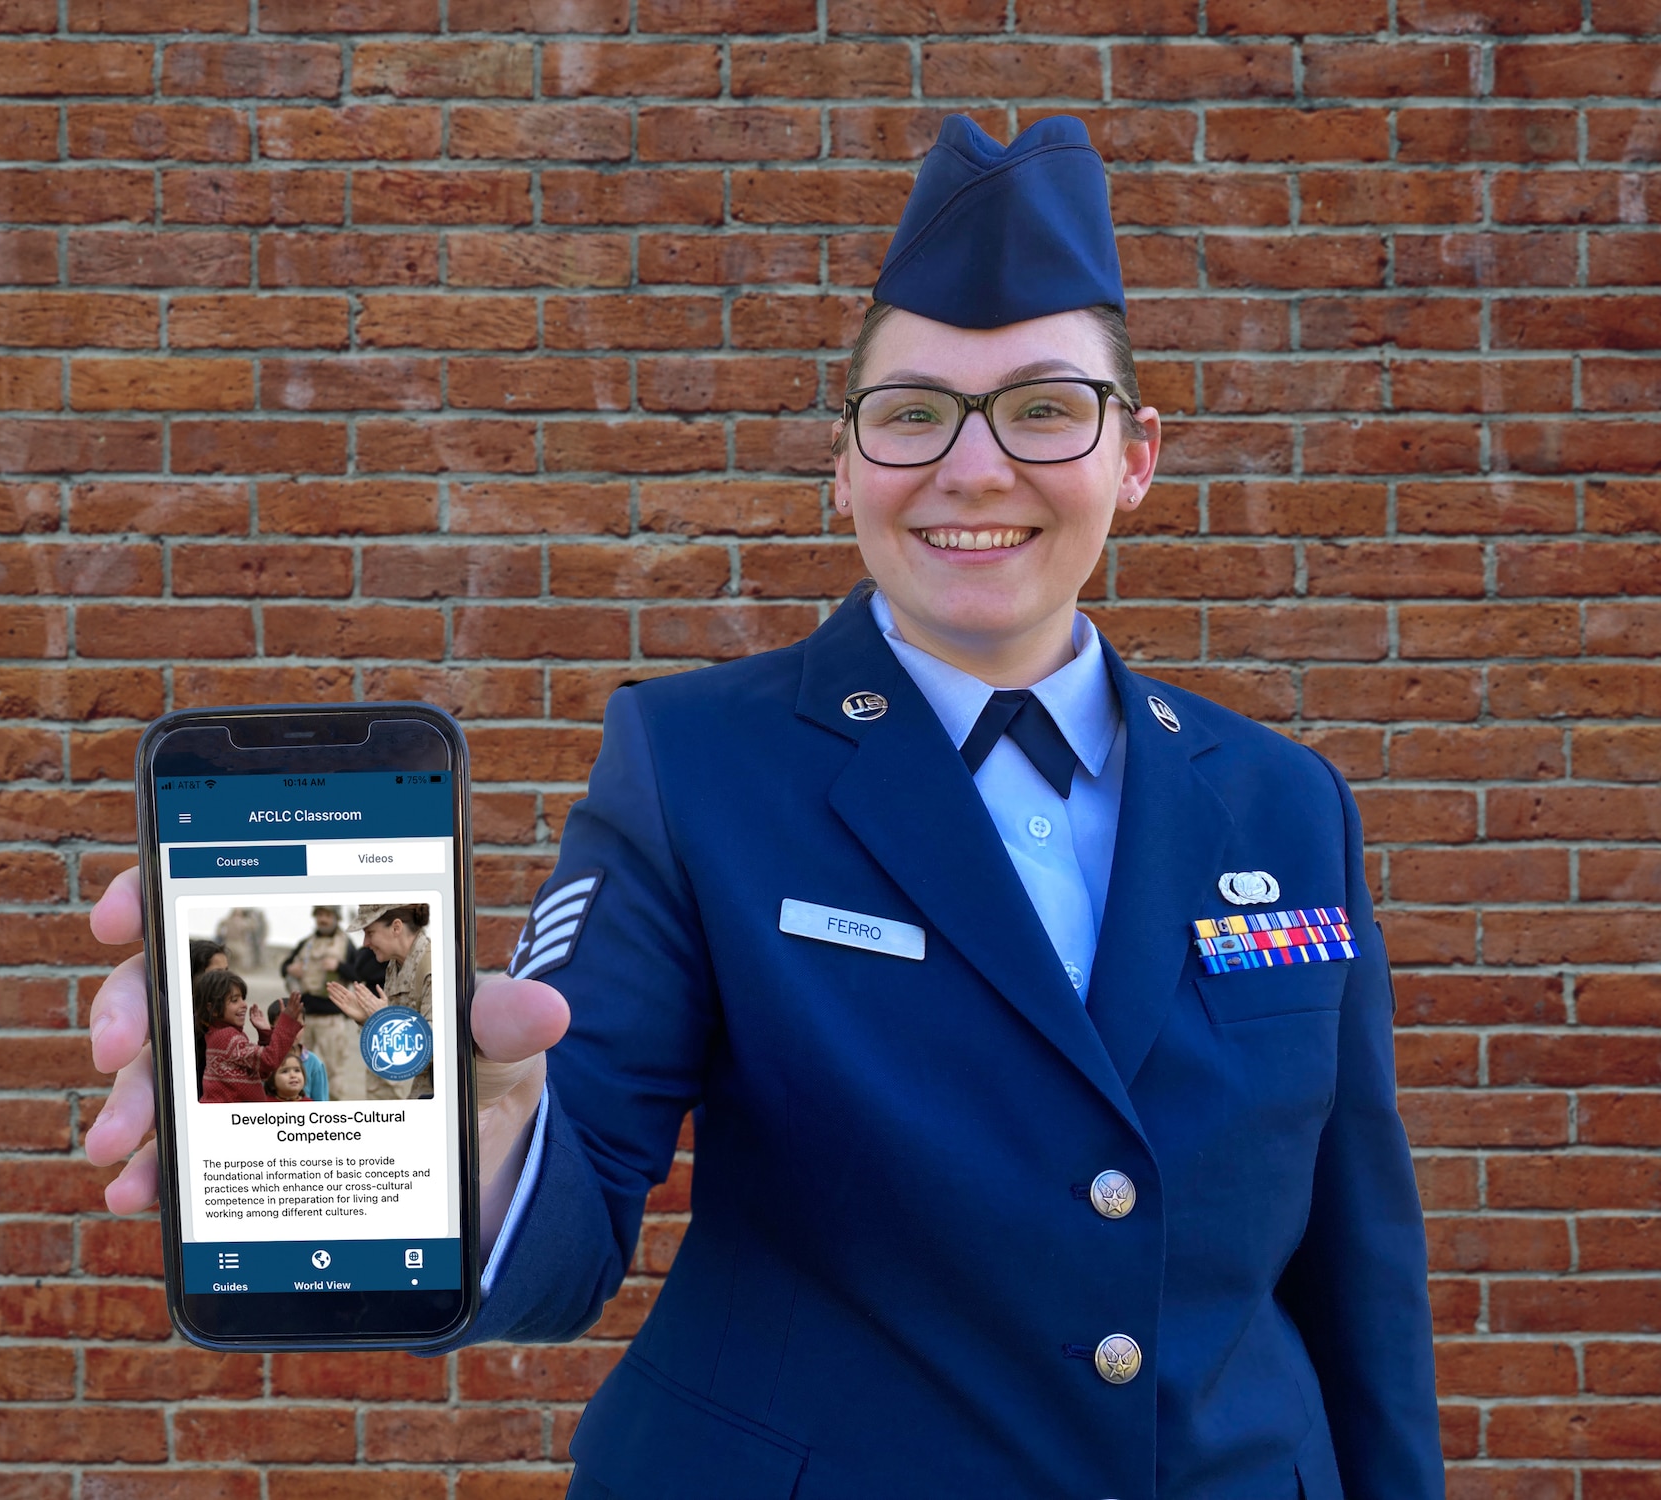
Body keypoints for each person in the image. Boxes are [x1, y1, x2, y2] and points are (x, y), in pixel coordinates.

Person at [87, 114, 1442, 1498]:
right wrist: (477, 1129)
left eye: (1044, 407)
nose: (974, 468)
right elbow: (573, 1196)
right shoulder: (696, 767)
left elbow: (1360, 1277)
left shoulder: (1284, 805)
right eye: (913, 414)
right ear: (845, 464)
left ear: (1136, 455)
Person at [316, 903, 434, 1102]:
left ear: (396, 928)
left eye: (370, 933)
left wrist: (385, 1019)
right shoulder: (394, 966)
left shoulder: (432, 966)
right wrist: (368, 1019)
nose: (365, 943)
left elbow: (432, 1048)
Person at [192, 969, 302, 1106]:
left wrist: (265, 1034)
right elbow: (269, 1060)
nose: (243, 1005)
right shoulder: (227, 1037)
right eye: (234, 1000)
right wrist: (287, 1023)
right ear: (212, 1009)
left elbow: (262, 1071)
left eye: (242, 999)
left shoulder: (221, 1034)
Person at [281, 905, 358, 1069]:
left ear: (336, 918)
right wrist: (290, 968)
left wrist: (339, 966)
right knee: (297, 1067)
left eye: (328, 915)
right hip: (303, 1018)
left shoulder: (347, 945)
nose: (323, 919)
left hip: (331, 1019)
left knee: (333, 1071)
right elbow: (284, 966)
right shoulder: (305, 943)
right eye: (320, 915)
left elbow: (359, 974)